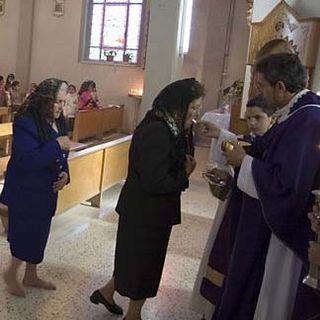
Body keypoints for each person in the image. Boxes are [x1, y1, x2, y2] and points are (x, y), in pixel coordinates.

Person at [209, 53, 320, 320]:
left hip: (285, 235)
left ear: (280, 87)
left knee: (272, 297)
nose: (257, 91)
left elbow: (286, 186)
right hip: (270, 223)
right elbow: (265, 147)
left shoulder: (307, 121)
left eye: (260, 85)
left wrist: (244, 163)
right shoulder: (297, 113)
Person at [90, 78, 204, 320]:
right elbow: (156, 181)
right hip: (145, 211)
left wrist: (188, 133)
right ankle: (134, 315)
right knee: (144, 265)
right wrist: (184, 176)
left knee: (133, 260)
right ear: (178, 105)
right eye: (193, 108)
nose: (195, 114)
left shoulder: (171, 127)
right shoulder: (157, 131)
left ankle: (107, 292)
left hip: (149, 210)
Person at [190, 95, 276, 319]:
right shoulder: (250, 140)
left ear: (273, 118)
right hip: (235, 209)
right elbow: (236, 152)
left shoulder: (276, 145)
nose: (252, 123)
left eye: (258, 118)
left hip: (256, 218)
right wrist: (222, 174)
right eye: (248, 118)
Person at [1, 78, 73, 298]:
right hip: (25, 189)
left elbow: (63, 151)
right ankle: (11, 274)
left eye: (63, 102)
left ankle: (31, 275)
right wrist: (55, 145)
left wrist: (66, 174)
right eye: (57, 102)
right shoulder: (26, 122)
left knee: (40, 234)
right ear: (44, 100)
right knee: (25, 234)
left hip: (46, 189)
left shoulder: (59, 122)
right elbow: (26, 160)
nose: (61, 107)